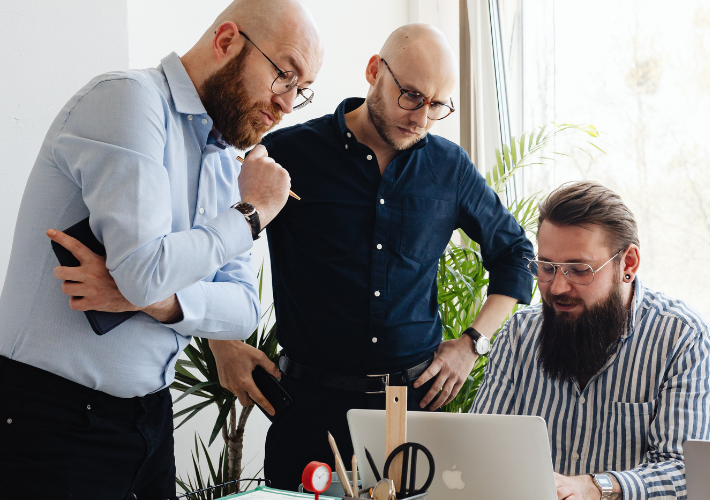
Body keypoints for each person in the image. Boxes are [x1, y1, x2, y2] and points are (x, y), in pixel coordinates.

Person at [0, 1, 322, 497]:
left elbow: (241, 310)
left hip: (149, 417)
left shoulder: (221, 158)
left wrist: (160, 302)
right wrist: (252, 213)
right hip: (50, 419)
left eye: (300, 91)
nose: (286, 103)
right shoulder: (128, 100)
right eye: (284, 74)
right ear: (226, 41)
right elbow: (145, 272)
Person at [205, 23, 535, 488]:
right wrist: (220, 345)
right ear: (375, 71)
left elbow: (518, 255)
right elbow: (208, 244)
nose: (422, 118)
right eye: (412, 96)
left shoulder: (450, 168)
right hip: (306, 412)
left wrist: (471, 345)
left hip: (413, 412)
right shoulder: (286, 155)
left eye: (437, 105)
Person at [472, 181, 710, 500]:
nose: (557, 288)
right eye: (547, 268)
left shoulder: (683, 340)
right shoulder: (518, 336)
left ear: (628, 264)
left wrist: (596, 487)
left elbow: (685, 471)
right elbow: (479, 447)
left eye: (579, 270)